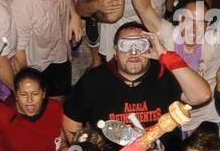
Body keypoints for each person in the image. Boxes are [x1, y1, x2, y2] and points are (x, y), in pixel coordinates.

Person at [62, 20, 211, 141]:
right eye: (125, 46)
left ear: (150, 48)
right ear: (115, 51)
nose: (133, 53)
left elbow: (202, 96)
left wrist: (166, 56)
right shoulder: (94, 80)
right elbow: (71, 120)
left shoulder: (165, 75)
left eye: (141, 45)